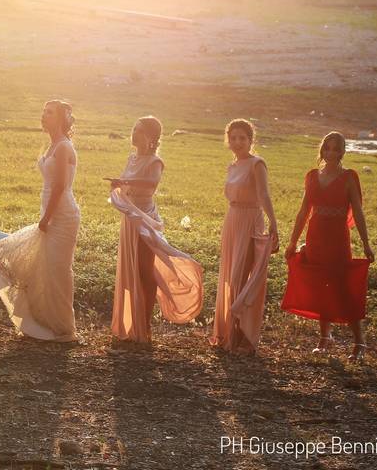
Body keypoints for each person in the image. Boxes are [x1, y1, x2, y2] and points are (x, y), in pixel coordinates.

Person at [0, 100, 80, 342]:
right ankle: (45, 321)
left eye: (49, 113)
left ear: (60, 119)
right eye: (43, 112)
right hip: (49, 211)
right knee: (44, 269)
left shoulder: (63, 147)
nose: (43, 116)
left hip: (62, 214)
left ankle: (64, 329)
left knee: (58, 270)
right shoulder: (52, 145)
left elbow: (59, 186)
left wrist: (46, 218)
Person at [110, 116, 203, 343]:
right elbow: (127, 183)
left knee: (144, 269)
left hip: (144, 218)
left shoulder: (155, 162)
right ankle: (129, 323)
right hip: (129, 218)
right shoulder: (132, 158)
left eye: (139, 131)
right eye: (134, 128)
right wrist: (120, 185)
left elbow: (150, 185)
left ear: (151, 138)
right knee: (130, 268)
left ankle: (145, 324)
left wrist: (124, 182)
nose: (134, 133)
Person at [282, 131, 374, 361]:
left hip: (338, 238)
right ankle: (325, 338)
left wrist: (366, 244)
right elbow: (304, 211)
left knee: (342, 286)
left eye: (336, 149)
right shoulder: (312, 176)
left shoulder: (349, 177)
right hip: (316, 236)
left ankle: (359, 342)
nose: (331, 153)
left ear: (342, 152)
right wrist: (293, 241)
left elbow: (359, 214)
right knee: (320, 285)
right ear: (322, 150)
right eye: (328, 148)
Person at [210, 119, 279, 354]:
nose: (237, 142)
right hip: (232, 219)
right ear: (227, 140)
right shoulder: (232, 166)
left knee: (243, 278)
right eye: (233, 138)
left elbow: (264, 195)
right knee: (230, 276)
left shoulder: (257, 164)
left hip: (251, 219)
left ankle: (245, 338)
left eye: (242, 138)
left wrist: (274, 223)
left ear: (251, 140)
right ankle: (229, 332)